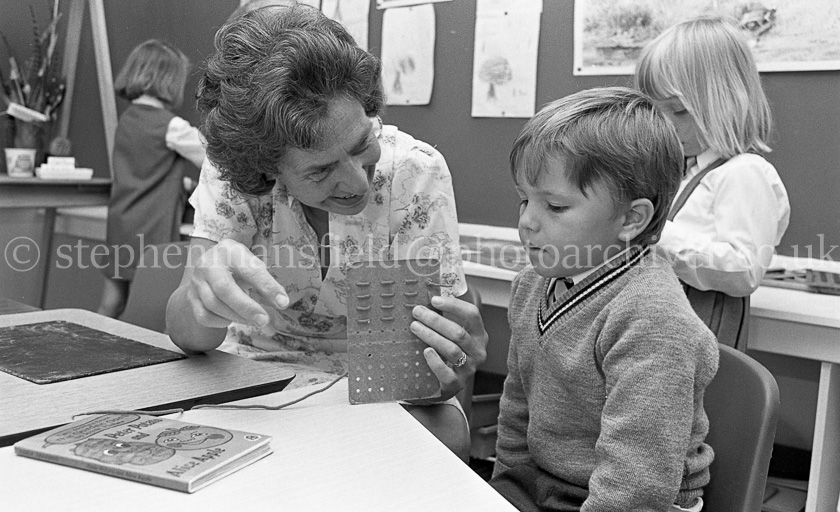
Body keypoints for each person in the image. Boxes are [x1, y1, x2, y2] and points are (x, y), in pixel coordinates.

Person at [165, 5, 487, 460]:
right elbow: (186, 336)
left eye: (362, 146)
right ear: (265, 169)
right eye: (320, 171)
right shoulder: (232, 177)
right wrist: (204, 297)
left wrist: (445, 368)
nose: (358, 183)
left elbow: (423, 383)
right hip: (254, 371)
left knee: (442, 436)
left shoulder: (414, 172)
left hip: (378, 385)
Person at [490, 87, 719, 511]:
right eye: (524, 199)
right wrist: (504, 490)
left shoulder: (651, 317)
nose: (526, 221)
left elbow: (638, 483)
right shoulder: (531, 283)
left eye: (555, 207)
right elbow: (518, 407)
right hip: (546, 484)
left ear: (632, 219)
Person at [634, 15, 790, 344]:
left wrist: (655, 234)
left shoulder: (744, 173)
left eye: (677, 111)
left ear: (723, 103)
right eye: (655, 110)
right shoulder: (682, 170)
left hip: (702, 332)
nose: (664, 124)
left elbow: (744, 270)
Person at [98, 39, 205, 318]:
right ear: (170, 80)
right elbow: (212, 159)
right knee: (148, 306)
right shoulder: (171, 126)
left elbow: (142, 168)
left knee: (112, 302)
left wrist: (176, 182)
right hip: (151, 229)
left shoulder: (127, 120)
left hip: (121, 222)